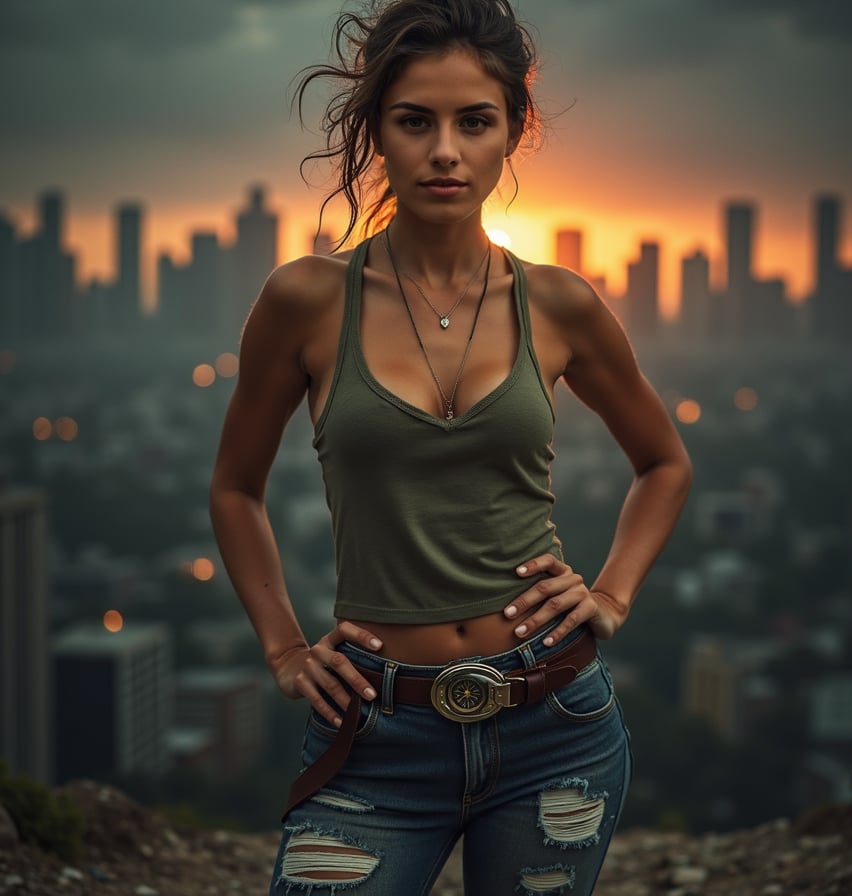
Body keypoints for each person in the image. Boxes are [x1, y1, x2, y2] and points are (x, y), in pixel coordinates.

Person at [209, 0, 692, 892]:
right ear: (376, 132)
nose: (444, 150)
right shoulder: (306, 300)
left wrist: (612, 596)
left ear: (513, 130)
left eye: (475, 122)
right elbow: (235, 487)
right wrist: (282, 649)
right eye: (415, 121)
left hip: (556, 721)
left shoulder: (559, 303)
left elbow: (664, 463)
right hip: (376, 730)